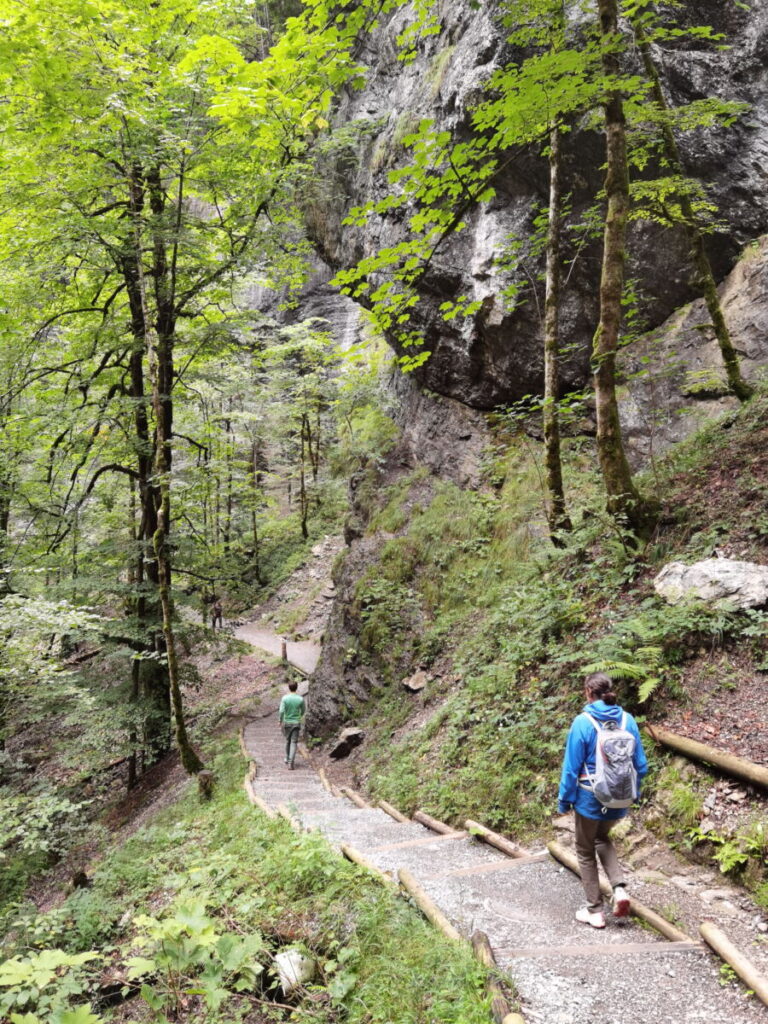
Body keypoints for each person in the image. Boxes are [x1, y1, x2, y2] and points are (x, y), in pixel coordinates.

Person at [557, 671, 648, 929]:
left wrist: (564, 800)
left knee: (585, 850)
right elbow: (641, 765)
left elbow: (571, 768)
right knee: (602, 838)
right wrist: (634, 792)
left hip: (590, 797)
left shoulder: (583, 722)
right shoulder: (627, 720)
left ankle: (594, 910)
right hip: (620, 798)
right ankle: (619, 889)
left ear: (588, 692)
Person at [279, 680, 305, 770]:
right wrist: (299, 717)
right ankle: (291, 762)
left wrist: (280, 720)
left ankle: (287, 758)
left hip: (287, 722)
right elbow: (303, 710)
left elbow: (281, 711)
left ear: (289, 688)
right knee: (294, 742)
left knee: (288, 741)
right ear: (296, 687)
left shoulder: (285, 698)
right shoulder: (300, 699)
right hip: (296, 722)